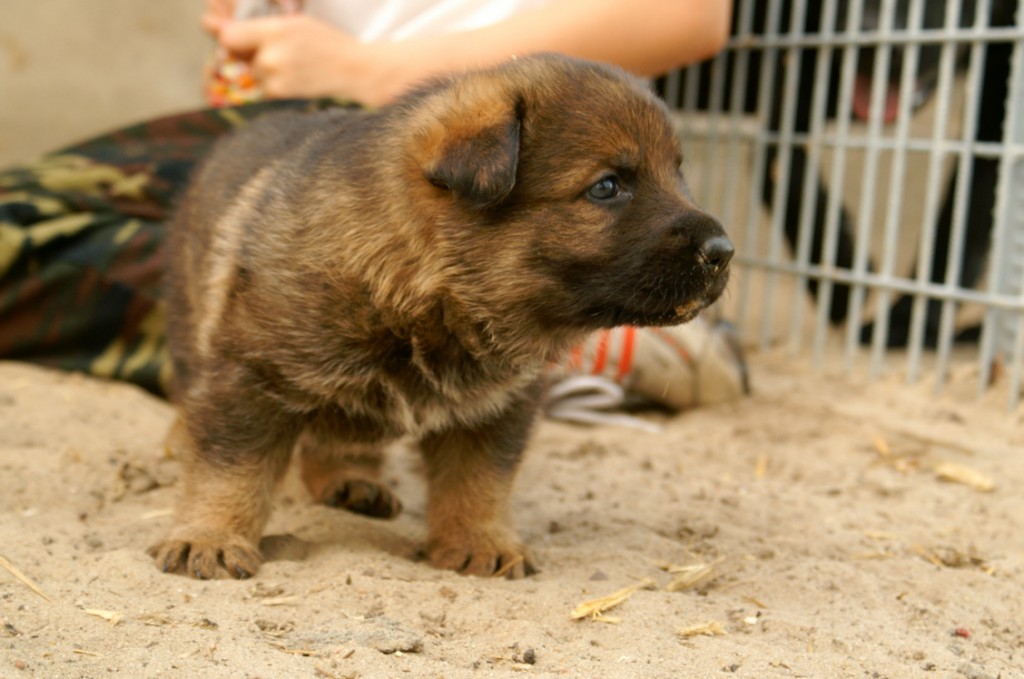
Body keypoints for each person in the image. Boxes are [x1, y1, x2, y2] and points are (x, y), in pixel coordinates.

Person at [0, 0, 745, 418]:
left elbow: (688, 12)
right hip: (294, 131)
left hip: (427, 133)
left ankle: (552, 323)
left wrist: (368, 68)